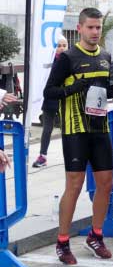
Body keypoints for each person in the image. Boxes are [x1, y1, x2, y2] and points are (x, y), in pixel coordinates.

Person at [43, 8, 113, 265]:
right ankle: (62, 241)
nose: (95, 32)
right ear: (80, 28)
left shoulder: (106, 56)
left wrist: (110, 91)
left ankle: (95, 235)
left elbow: (102, 92)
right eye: (91, 27)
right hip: (75, 129)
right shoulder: (67, 57)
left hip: (100, 128)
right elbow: (49, 92)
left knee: (106, 183)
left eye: (98, 27)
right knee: (74, 185)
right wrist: (73, 88)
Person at [33, 35, 69, 168]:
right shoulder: (47, 62)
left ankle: (72, 156)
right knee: (47, 129)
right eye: (58, 46)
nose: (61, 48)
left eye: (64, 45)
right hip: (50, 99)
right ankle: (43, 156)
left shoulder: (71, 60)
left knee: (68, 130)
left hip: (66, 99)